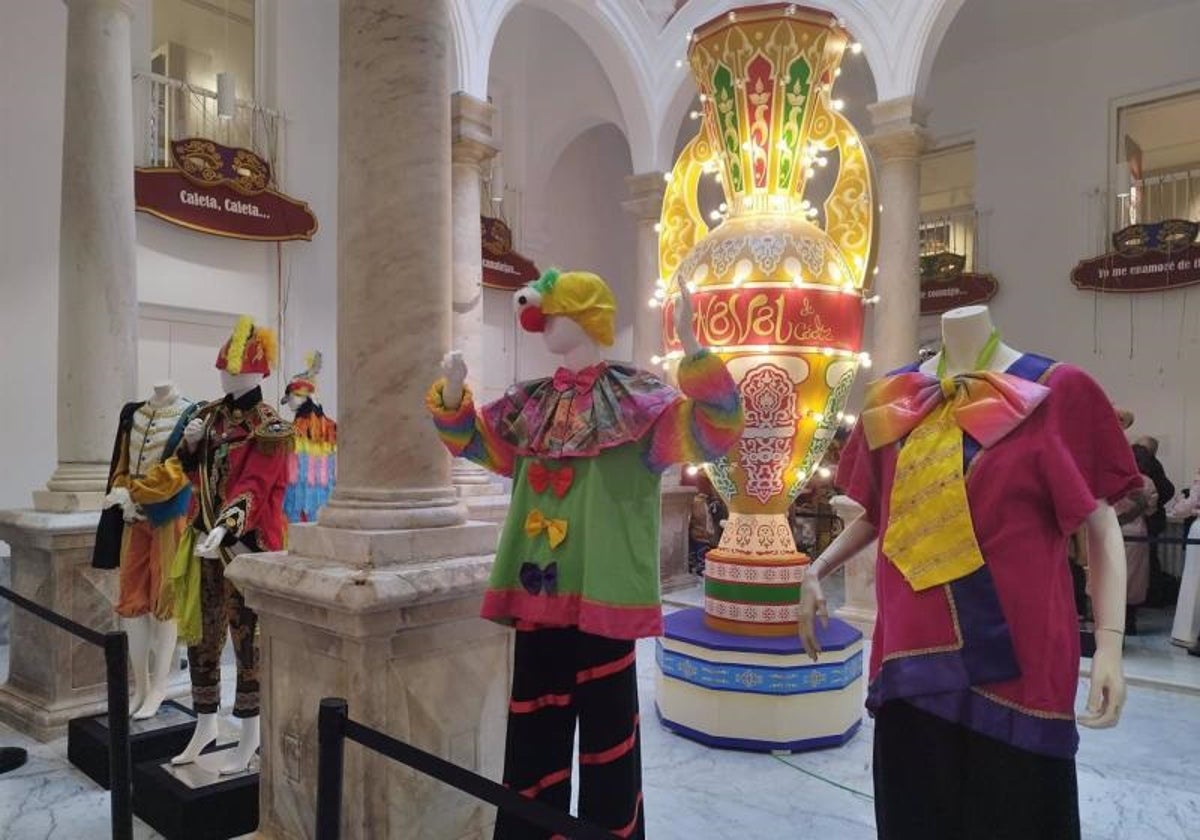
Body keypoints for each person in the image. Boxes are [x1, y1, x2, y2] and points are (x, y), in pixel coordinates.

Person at [1115, 448, 1158, 634]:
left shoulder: (1114, 478)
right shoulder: (1146, 482)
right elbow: (1151, 510)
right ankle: (1130, 622)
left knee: (1111, 576)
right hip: (1137, 532)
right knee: (1134, 580)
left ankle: (1112, 622)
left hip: (1113, 530)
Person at [1133, 436, 1176, 605]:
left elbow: (1167, 490)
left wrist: (1153, 506)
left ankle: (1151, 597)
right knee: (1148, 560)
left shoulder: (1150, 468)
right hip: (1149, 519)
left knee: (1147, 561)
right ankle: (1150, 596)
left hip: (1145, 521)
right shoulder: (1153, 467)